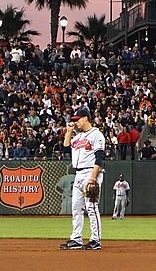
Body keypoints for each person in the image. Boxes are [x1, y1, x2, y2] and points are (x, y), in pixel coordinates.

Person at [60, 107, 105, 251]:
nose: (76, 122)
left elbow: (100, 157)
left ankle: (95, 240)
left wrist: (93, 177)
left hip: (90, 173)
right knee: (76, 208)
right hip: (78, 174)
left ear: (86, 118)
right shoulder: (78, 137)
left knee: (91, 207)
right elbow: (66, 147)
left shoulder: (96, 134)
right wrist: (68, 131)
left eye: (77, 119)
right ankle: (76, 239)